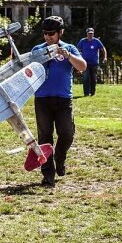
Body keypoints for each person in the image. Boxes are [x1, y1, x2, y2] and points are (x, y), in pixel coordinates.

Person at [32, 16, 87, 187]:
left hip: (63, 99)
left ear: (60, 33)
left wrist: (68, 56)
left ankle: (60, 157)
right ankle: (48, 174)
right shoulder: (37, 50)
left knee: (67, 133)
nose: (48, 37)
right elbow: (28, 69)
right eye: (45, 33)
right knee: (45, 136)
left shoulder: (69, 48)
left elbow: (82, 66)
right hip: (42, 99)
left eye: (52, 33)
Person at [76, 27, 107, 96]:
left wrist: (105, 57)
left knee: (93, 79)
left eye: (92, 33)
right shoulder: (82, 41)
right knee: (86, 78)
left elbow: (103, 49)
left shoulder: (96, 41)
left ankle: (92, 93)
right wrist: (79, 56)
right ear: (86, 34)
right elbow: (77, 49)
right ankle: (86, 93)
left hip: (94, 63)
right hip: (85, 63)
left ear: (93, 34)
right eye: (89, 33)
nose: (90, 35)